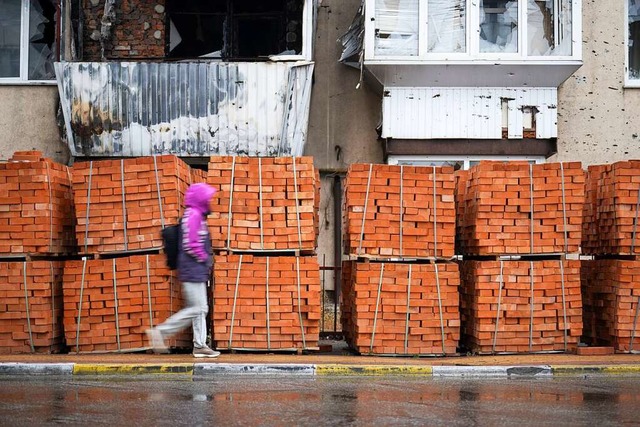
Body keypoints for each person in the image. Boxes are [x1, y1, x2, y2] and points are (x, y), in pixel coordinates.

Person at [146, 182, 220, 358]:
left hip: (195, 270)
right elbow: (190, 244)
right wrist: (204, 257)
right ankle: (161, 332)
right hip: (192, 270)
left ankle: (200, 345)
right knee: (197, 308)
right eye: (208, 197)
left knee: (200, 308)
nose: (210, 200)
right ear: (201, 198)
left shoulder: (197, 215)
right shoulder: (193, 215)